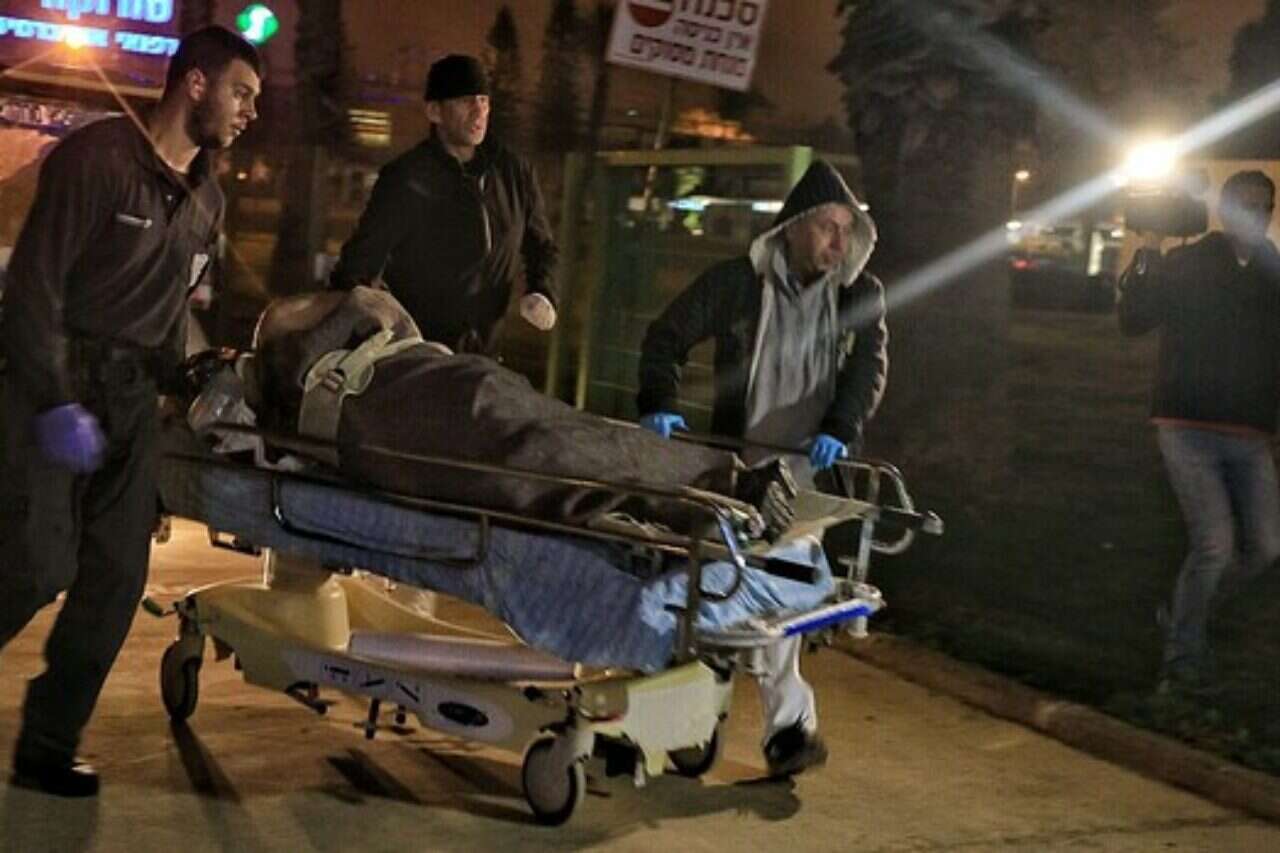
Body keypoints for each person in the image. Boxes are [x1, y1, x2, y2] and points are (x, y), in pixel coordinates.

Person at [0, 26, 261, 797]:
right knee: (35, 564)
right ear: (195, 84)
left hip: (132, 400)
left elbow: (175, 310)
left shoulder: (207, 199)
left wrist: (192, 382)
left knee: (116, 576)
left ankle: (48, 744)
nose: (250, 112)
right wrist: (53, 399)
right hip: (55, 382)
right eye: (241, 92)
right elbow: (34, 286)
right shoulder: (99, 160)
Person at [636, 159, 888, 777]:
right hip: (739, 471)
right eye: (827, 227)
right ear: (793, 228)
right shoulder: (739, 286)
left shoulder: (858, 296)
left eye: (847, 230)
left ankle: (783, 730)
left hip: (804, 479)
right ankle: (697, 721)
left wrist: (840, 428)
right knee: (719, 595)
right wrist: (660, 402)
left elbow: (867, 369)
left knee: (777, 601)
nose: (838, 242)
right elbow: (667, 336)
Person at [1117, 169, 1280, 691]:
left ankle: (1184, 610)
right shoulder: (1190, 261)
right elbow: (1134, 320)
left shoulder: (1273, 270)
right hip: (1187, 424)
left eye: (1263, 205)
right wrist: (1148, 252)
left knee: (1265, 548)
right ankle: (1182, 660)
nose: (1253, 214)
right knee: (1215, 546)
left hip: (1250, 431)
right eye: (1243, 204)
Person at [328, 54, 558, 355]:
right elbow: (359, 265)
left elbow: (541, 246)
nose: (479, 111)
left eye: (484, 100)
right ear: (435, 111)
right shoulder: (406, 178)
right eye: (465, 101)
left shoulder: (515, 173)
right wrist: (369, 332)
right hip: (417, 357)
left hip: (486, 356)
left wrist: (542, 290)